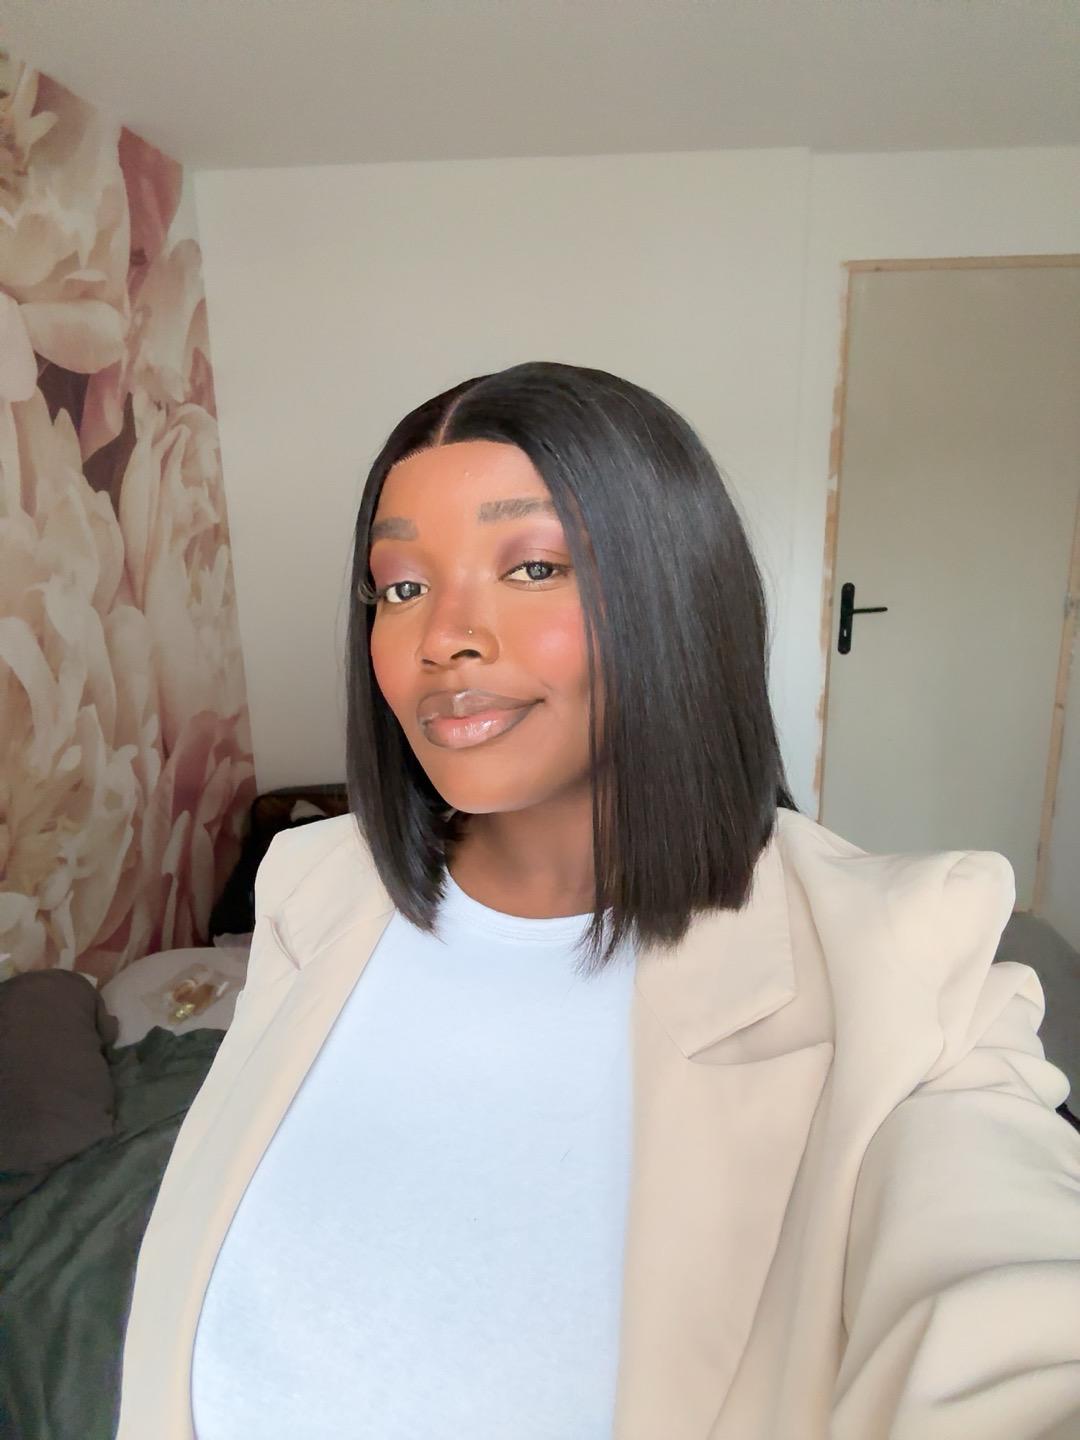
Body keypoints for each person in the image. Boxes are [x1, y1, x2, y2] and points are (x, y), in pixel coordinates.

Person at [117, 361, 1080, 1440]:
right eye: (401, 586)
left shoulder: (905, 963)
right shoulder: (312, 885)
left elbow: (1010, 1296)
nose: (443, 636)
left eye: (532, 567)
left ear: (677, 594)